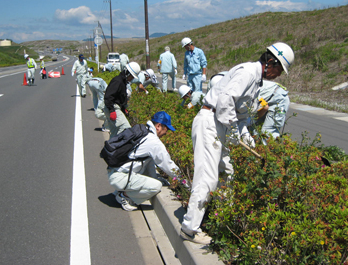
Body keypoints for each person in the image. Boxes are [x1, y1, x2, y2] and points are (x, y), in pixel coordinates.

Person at [180, 42, 294, 244]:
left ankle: (221, 218)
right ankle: (189, 229)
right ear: (270, 62)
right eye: (279, 70)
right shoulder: (248, 73)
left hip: (220, 124)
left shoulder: (256, 81)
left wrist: (249, 141)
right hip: (211, 122)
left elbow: (241, 118)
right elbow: (225, 101)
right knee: (207, 177)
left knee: (228, 172)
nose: (278, 76)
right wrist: (233, 131)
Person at [108, 111, 181, 211]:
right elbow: (168, 165)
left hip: (115, 172)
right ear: (159, 126)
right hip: (120, 177)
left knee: (152, 175)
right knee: (156, 186)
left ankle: (121, 189)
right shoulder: (154, 142)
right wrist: (183, 181)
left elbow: (149, 162)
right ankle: (125, 196)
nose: (166, 133)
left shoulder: (144, 131)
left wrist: (154, 178)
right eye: (167, 129)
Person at [103, 62, 141, 138]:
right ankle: (117, 146)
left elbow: (120, 98)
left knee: (115, 132)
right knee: (125, 128)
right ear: (128, 74)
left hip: (114, 107)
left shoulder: (123, 82)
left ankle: (111, 148)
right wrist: (112, 110)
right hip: (113, 107)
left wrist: (124, 109)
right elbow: (108, 96)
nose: (132, 79)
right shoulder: (118, 81)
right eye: (132, 77)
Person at [249, 80, 290, 144]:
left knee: (267, 132)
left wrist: (253, 120)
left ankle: (269, 151)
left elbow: (265, 107)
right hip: (268, 99)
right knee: (254, 127)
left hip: (279, 101)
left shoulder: (246, 88)